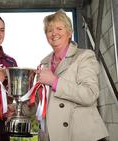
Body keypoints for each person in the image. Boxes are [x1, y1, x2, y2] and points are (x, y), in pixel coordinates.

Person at [36, 10, 108, 141]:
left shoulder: (84, 56)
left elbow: (90, 94)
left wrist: (54, 82)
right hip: (51, 136)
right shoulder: (43, 63)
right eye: (49, 30)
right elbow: (40, 105)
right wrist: (24, 105)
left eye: (59, 28)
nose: (54, 33)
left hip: (80, 135)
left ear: (69, 33)